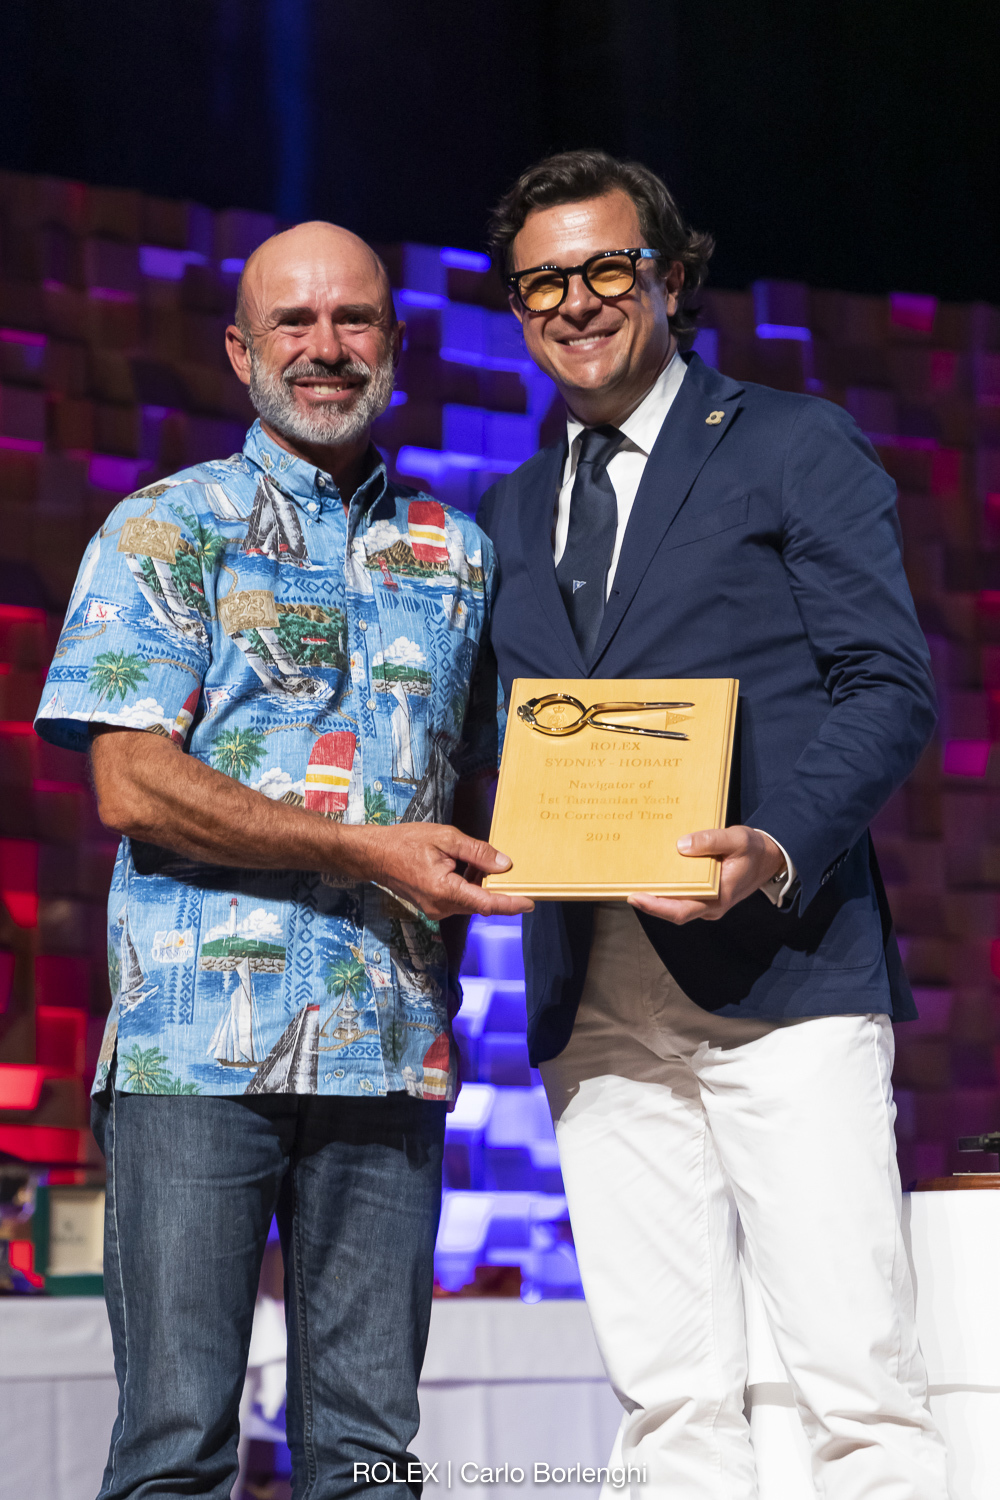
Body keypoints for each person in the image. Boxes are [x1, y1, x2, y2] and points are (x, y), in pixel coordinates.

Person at [477, 151, 948, 1498]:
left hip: (782, 980)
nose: (576, 302)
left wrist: (773, 847)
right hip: (596, 1001)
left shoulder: (794, 443)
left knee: (855, 1389)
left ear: (673, 278)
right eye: (542, 282)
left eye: (606, 268)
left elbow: (887, 685)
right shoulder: (506, 509)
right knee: (668, 1405)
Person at [34, 220, 529, 1500]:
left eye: (353, 318)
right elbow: (131, 781)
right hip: (193, 1059)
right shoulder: (165, 527)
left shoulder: (460, 551)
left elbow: (494, 784)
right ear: (239, 348)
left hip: (391, 1052)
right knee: (176, 1453)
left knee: (370, 1462)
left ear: (394, 344)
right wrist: (365, 850)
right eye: (293, 321)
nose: (325, 346)